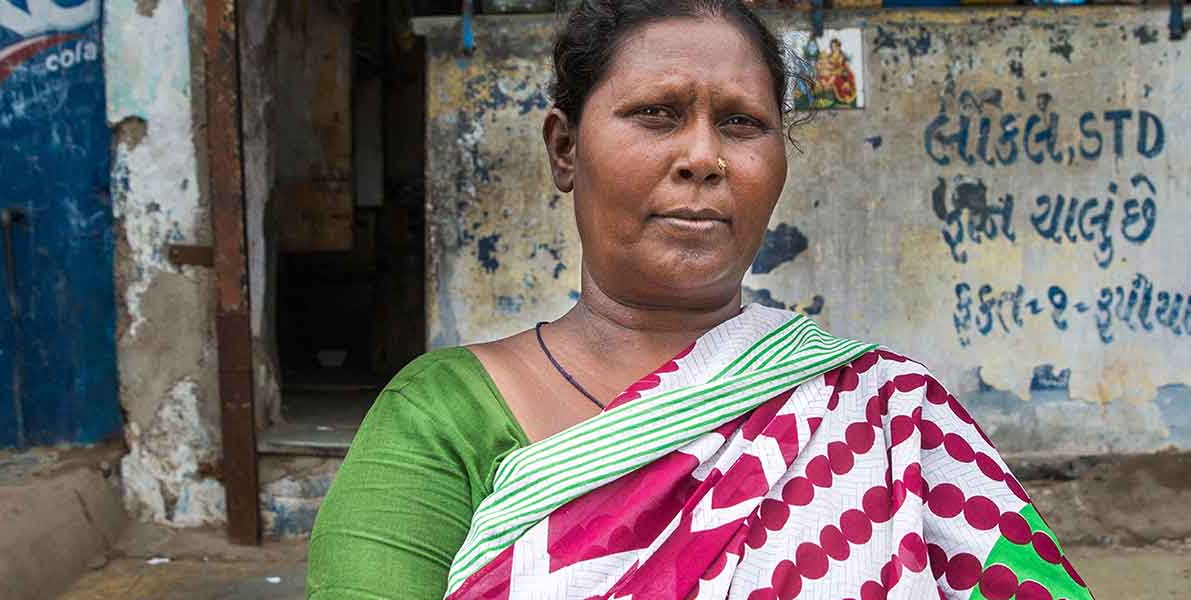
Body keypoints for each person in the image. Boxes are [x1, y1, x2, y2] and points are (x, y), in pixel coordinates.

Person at [307, 2, 1093, 598]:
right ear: (564, 148)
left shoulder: (887, 414)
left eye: (743, 124)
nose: (704, 158)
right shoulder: (443, 417)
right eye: (657, 114)